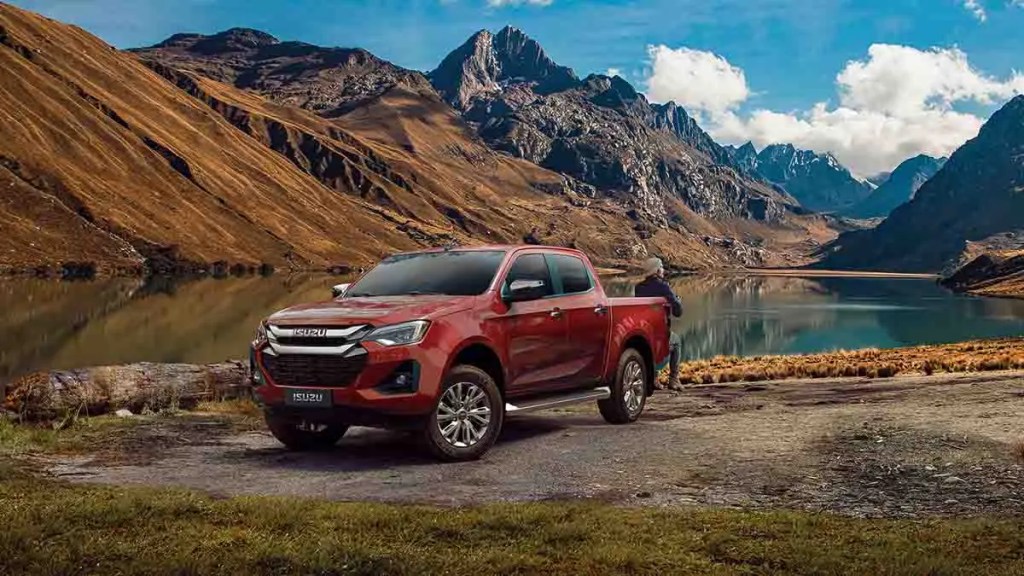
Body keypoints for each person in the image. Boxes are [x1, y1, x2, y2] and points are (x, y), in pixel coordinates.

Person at [634, 256, 683, 389]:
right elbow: (678, 312)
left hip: (645, 334)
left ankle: (654, 378)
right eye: (661, 268)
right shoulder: (663, 287)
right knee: (676, 341)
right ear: (656, 271)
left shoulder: (638, 288)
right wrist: (677, 301)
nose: (663, 270)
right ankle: (674, 379)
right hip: (660, 335)